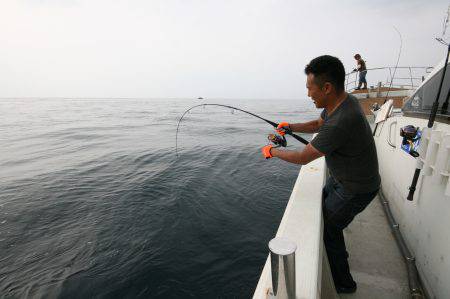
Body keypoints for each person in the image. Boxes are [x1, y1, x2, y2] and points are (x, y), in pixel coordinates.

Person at [261, 55, 380, 294]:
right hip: (343, 179)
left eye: (309, 88)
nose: (308, 94)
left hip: (355, 189)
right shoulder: (342, 103)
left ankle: (344, 284)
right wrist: (291, 127)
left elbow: (304, 157)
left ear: (327, 87)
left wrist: (272, 151)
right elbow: (318, 124)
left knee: (328, 229)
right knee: (322, 213)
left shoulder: (342, 121)